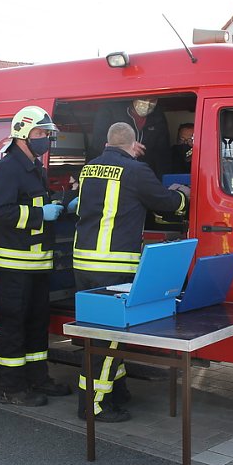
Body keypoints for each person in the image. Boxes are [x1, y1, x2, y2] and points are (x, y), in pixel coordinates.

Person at [74, 122, 189, 422]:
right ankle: (93, 405)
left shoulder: (89, 168)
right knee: (108, 338)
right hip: (113, 266)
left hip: (83, 264)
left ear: (107, 141)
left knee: (98, 335)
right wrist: (183, 196)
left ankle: (116, 390)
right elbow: (164, 203)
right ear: (134, 143)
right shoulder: (136, 171)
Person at [0, 105, 72, 406]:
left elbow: (37, 203)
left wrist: (60, 206)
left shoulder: (35, 166)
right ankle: (11, 388)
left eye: (47, 134)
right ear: (23, 133)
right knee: (13, 326)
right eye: (40, 133)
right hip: (14, 264)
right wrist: (40, 214)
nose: (45, 139)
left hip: (37, 263)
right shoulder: (7, 168)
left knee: (37, 322)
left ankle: (38, 378)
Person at [89, 98, 171, 180]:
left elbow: (163, 152)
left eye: (152, 100)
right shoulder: (111, 109)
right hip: (112, 172)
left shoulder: (158, 116)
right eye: (143, 98)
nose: (147, 103)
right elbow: (97, 141)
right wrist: (124, 147)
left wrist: (161, 181)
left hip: (143, 174)